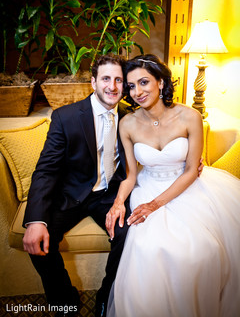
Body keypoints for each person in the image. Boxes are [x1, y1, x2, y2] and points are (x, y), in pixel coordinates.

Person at [106, 54, 240, 317]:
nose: (137, 92)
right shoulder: (127, 124)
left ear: (160, 81)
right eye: (131, 86)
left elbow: (192, 170)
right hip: (147, 187)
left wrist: (154, 205)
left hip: (188, 186)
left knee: (202, 249)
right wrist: (118, 202)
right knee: (148, 245)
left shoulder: (190, 116)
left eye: (144, 82)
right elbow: (131, 175)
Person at [22, 54, 131, 317]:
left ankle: (106, 297)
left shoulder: (131, 118)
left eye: (118, 80)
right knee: (39, 244)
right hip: (71, 195)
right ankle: (66, 302)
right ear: (93, 82)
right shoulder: (65, 117)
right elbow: (46, 170)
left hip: (109, 196)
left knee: (129, 235)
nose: (112, 86)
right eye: (106, 78)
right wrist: (35, 220)